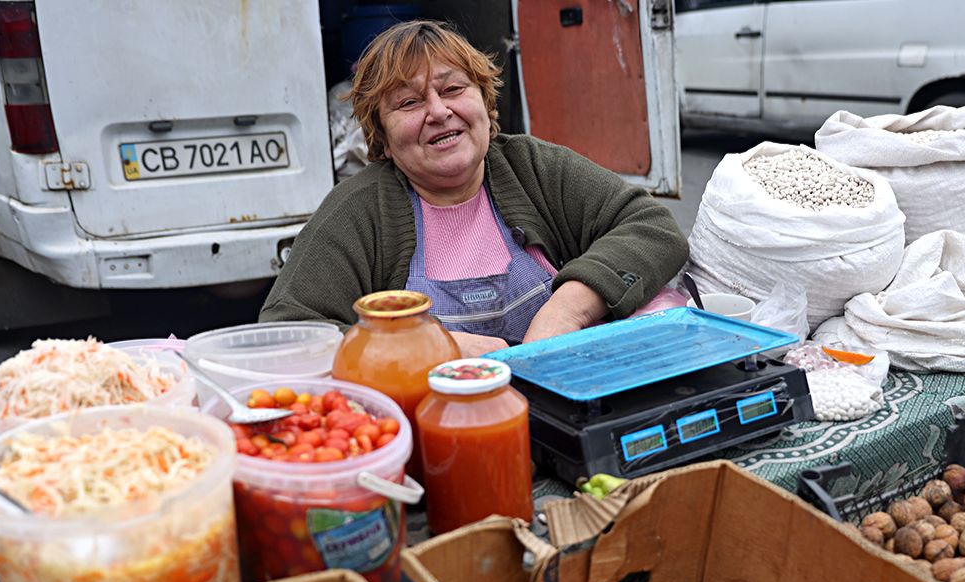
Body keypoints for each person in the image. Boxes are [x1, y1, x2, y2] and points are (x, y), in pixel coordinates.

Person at [259, 20, 688, 356]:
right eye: (409, 103)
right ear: (383, 139)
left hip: (563, 404)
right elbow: (285, 332)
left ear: (485, 101)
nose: (439, 111)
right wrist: (417, 347)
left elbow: (653, 228)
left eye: (453, 89)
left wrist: (567, 309)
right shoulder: (357, 211)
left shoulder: (533, 168)